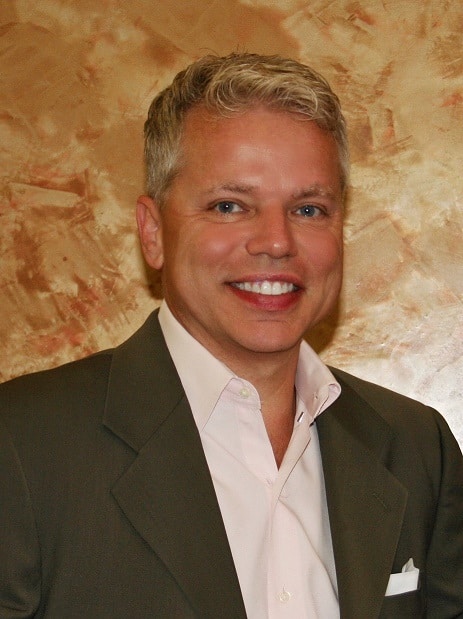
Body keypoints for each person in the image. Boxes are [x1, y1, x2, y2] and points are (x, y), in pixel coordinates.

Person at [1, 52, 462, 619]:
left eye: (309, 209)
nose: (277, 241)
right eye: (229, 206)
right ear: (153, 232)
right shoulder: (21, 445)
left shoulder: (418, 448)